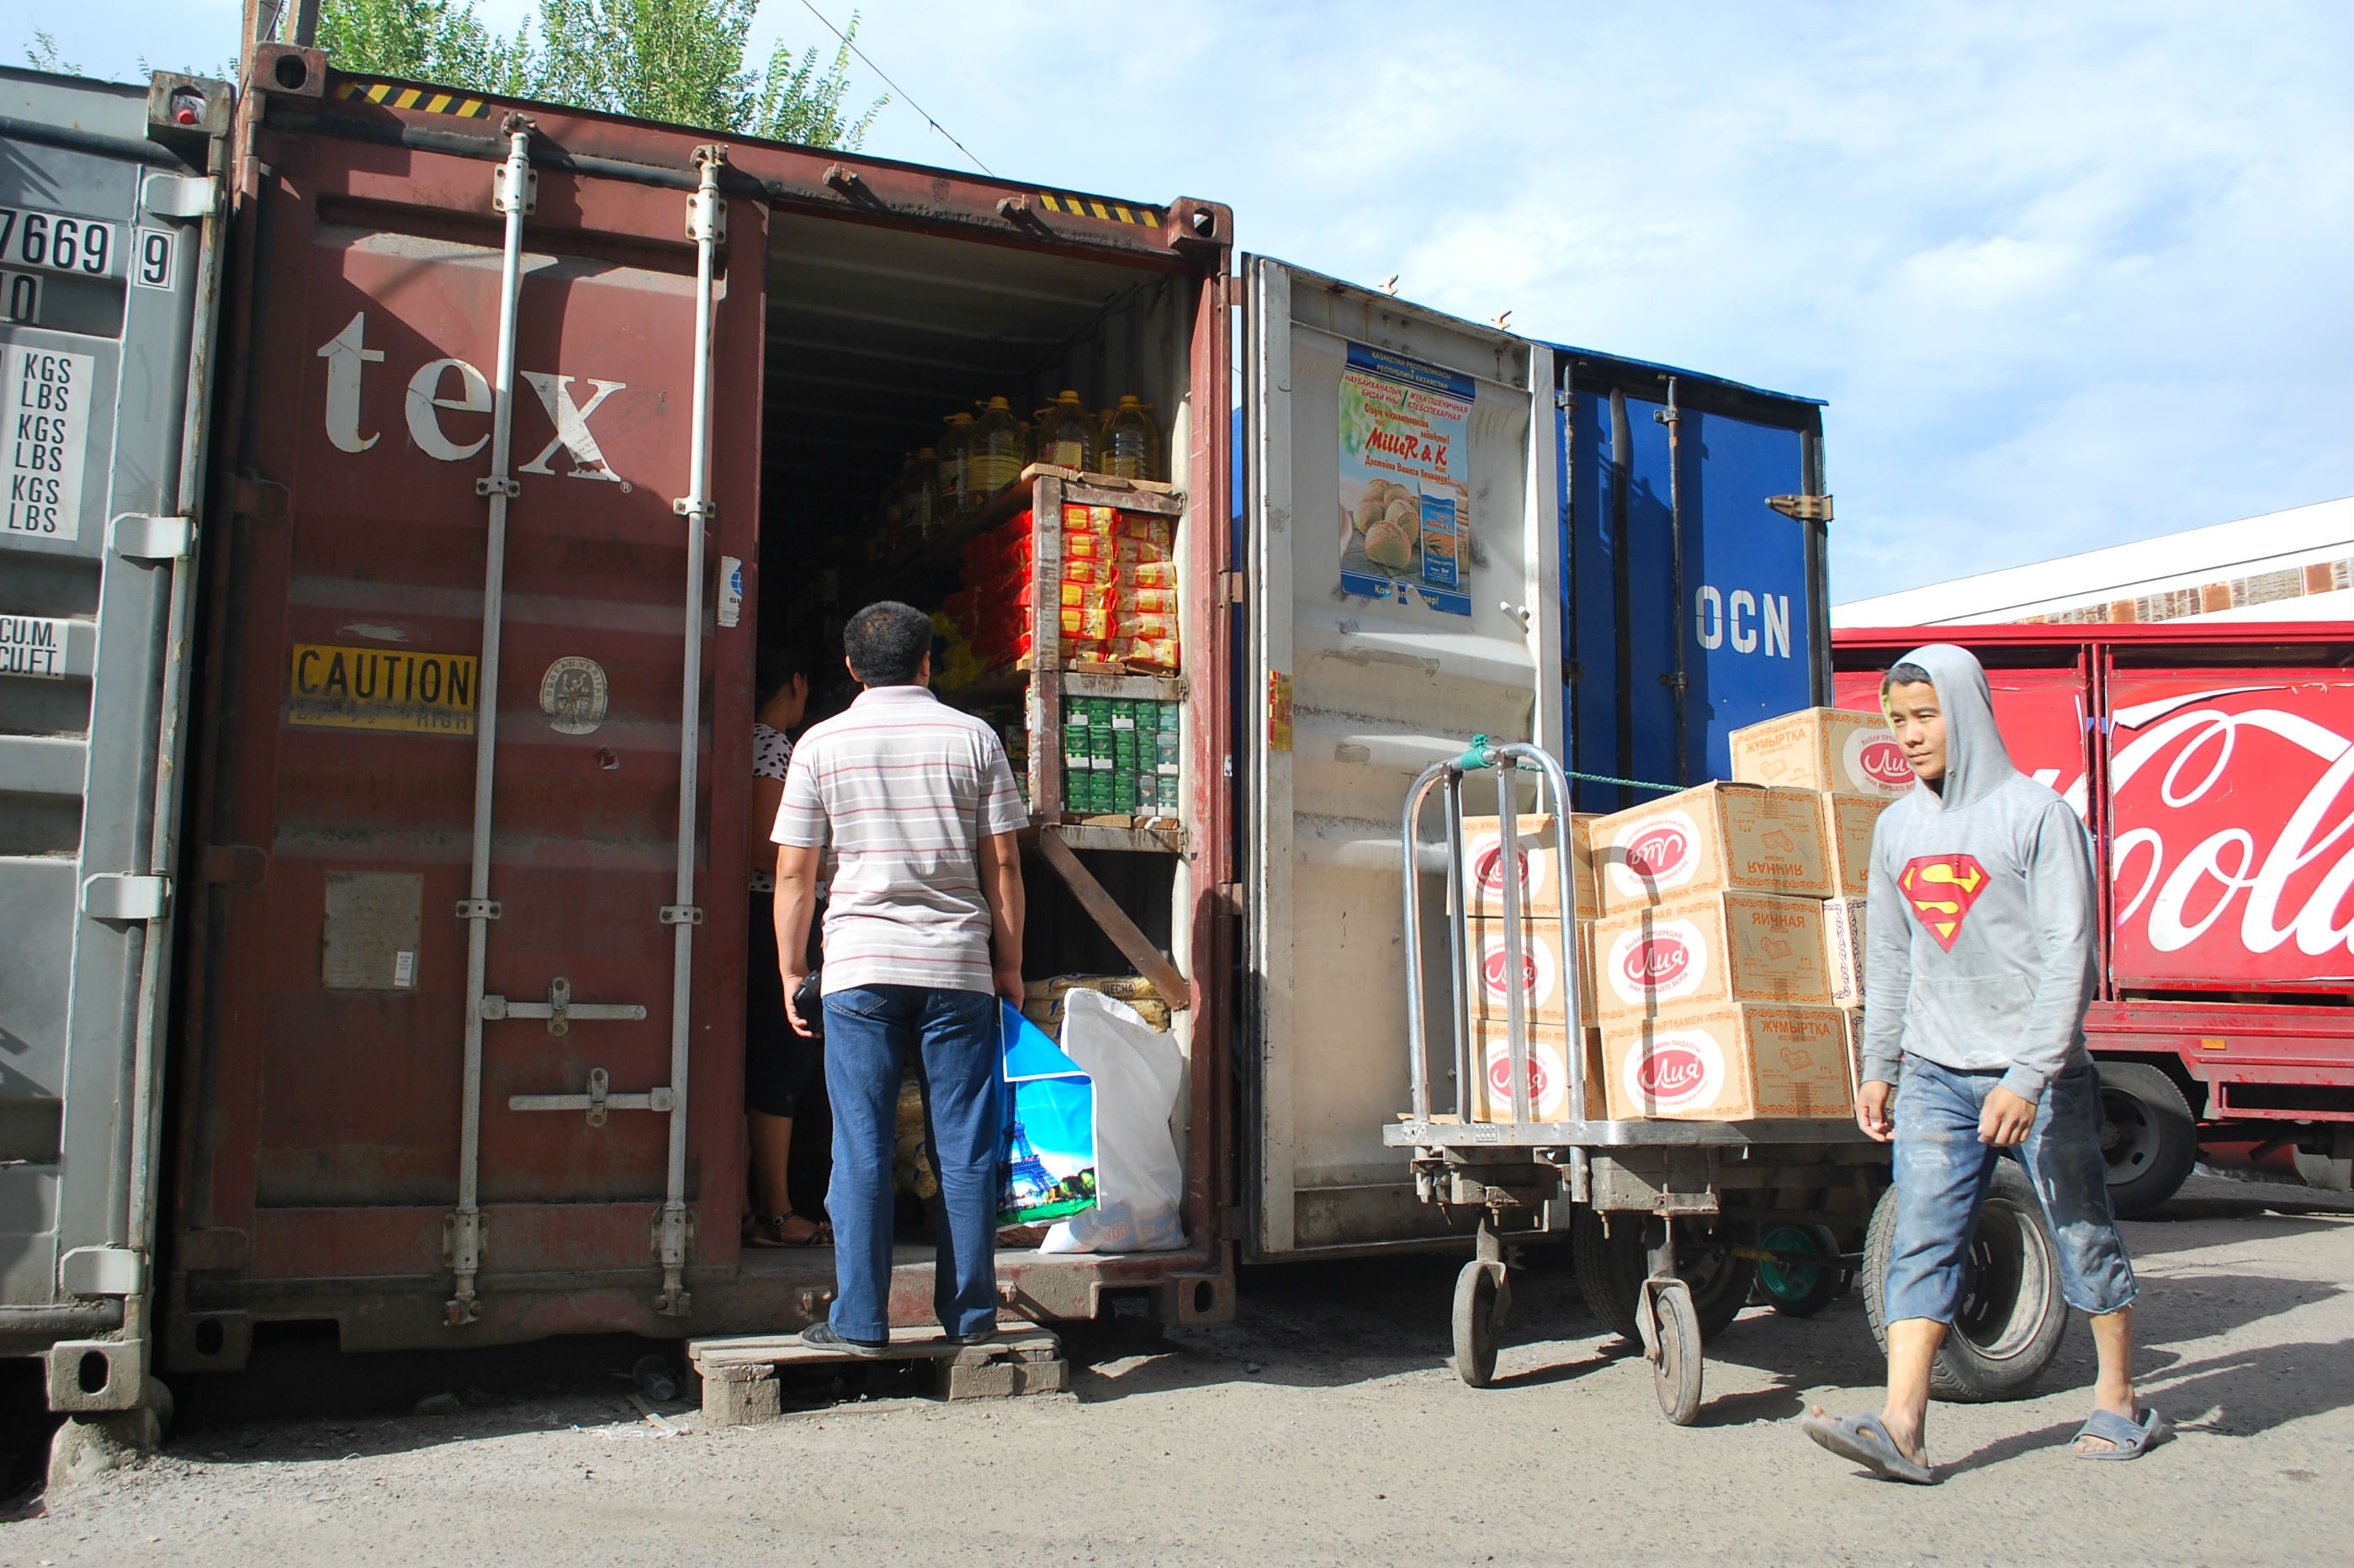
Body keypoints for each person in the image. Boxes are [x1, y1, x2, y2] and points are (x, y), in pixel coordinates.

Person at [1802, 643, 2166, 1482]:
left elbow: (2067, 956)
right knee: (1921, 1236)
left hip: (2036, 1073)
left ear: (1964, 711)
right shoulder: (1895, 828)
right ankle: (1902, 1427)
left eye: (1924, 716)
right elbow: (1889, 958)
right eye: (1896, 721)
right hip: (1931, 1067)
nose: (1908, 735)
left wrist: (2027, 1076)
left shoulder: (2037, 816)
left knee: (2078, 1227)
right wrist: (1877, 1062)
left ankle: (2117, 1400)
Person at [771, 601, 1028, 1353]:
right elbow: (1004, 862)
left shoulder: (819, 744)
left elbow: (795, 871)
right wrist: (1007, 963)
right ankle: (971, 1318)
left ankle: (860, 1321)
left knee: (860, 1144)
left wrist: (793, 969)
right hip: (956, 967)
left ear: (851, 668)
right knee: (965, 1148)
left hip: (859, 970)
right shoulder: (973, 738)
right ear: (927, 663)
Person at [744, 644, 829, 1247]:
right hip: (773, 913)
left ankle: (764, 1206)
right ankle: (776, 1210)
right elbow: (765, 850)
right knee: (786, 1055)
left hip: (752, 913)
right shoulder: (773, 747)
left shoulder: (736, 738)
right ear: (796, 682)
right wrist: (831, 866)